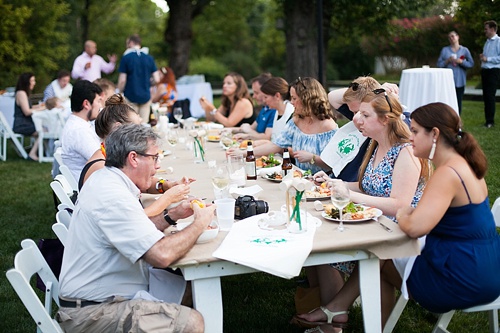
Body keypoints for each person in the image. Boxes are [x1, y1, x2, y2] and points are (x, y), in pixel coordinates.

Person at [291, 89, 428, 333]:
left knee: (342, 244)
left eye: (365, 115)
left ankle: (335, 311)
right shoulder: (376, 146)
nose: (357, 120)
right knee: (323, 240)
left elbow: (400, 204)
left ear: (385, 119)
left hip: (402, 234)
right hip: (376, 222)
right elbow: (368, 185)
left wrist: (350, 195)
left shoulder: (405, 150)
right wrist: (335, 182)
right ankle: (333, 316)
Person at [57, 124, 214, 333]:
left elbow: (136, 228)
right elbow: (161, 255)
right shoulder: (113, 196)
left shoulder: (109, 180)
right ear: (133, 158)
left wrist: (173, 215)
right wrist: (200, 223)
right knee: (193, 323)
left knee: (190, 287)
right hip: (92, 312)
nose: (158, 166)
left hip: (108, 292)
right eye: (155, 158)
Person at [384, 102, 500, 327]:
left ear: (434, 134)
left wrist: (403, 212)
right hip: (490, 272)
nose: (410, 137)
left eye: (416, 131)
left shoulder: (448, 173)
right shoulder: (468, 164)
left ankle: (362, 321)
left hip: (461, 280)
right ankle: (337, 309)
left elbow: (416, 227)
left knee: (378, 259)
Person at [79, 94, 193, 217]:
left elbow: (140, 184)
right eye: (137, 127)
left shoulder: (109, 156)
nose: (142, 132)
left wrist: (166, 185)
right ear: (118, 129)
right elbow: (132, 217)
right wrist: (168, 199)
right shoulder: (101, 168)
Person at [228, 77, 337, 174]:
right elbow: (275, 145)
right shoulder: (297, 120)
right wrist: (243, 153)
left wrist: (312, 158)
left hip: (322, 183)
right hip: (300, 176)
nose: (291, 102)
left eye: (294, 98)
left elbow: (334, 164)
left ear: (307, 99)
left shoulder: (329, 126)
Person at [60, 80, 103, 182]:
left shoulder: (78, 125)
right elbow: (102, 162)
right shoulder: (79, 131)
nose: (100, 106)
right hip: (91, 188)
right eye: (98, 101)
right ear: (86, 104)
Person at [117, 34, 159, 123]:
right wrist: (149, 83)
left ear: (131, 43)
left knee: (131, 126)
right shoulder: (149, 58)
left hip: (130, 96)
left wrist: (119, 92)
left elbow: (122, 80)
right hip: (145, 97)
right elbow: (157, 79)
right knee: (143, 126)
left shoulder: (126, 57)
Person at [437, 31, 474, 115]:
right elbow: (439, 65)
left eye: (453, 36)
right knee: (447, 101)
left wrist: (462, 62)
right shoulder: (445, 50)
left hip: (460, 81)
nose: (451, 38)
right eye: (449, 37)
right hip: (448, 81)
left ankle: (457, 119)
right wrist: (447, 61)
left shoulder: (465, 50)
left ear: (458, 37)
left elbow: (471, 64)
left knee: (458, 101)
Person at [13, 72, 46, 161]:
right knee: (43, 130)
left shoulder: (24, 93)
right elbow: (27, 112)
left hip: (25, 123)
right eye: (32, 80)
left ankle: (43, 151)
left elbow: (29, 107)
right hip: (22, 125)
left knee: (44, 128)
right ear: (26, 82)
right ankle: (32, 154)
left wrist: (40, 106)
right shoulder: (21, 93)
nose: (34, 83)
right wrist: (42, 109)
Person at [233, 73, 276, 141]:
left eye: (256, 93)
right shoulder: (265, 109)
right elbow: (251, 128)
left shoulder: (274, 111)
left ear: (266, 91)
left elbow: (267, 137)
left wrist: (248, 133)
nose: (253, 96)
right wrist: (229, 130)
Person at [480, 20, 500, 128]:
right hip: (485, 71)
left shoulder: (498, 41)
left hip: (493, 71)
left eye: (486, 29)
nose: (485, 31)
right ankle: (487, 120)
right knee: (486, 96)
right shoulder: (487, 41)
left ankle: (490, 122)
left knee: (490, 96)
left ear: (492, 29)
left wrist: (487, 59)